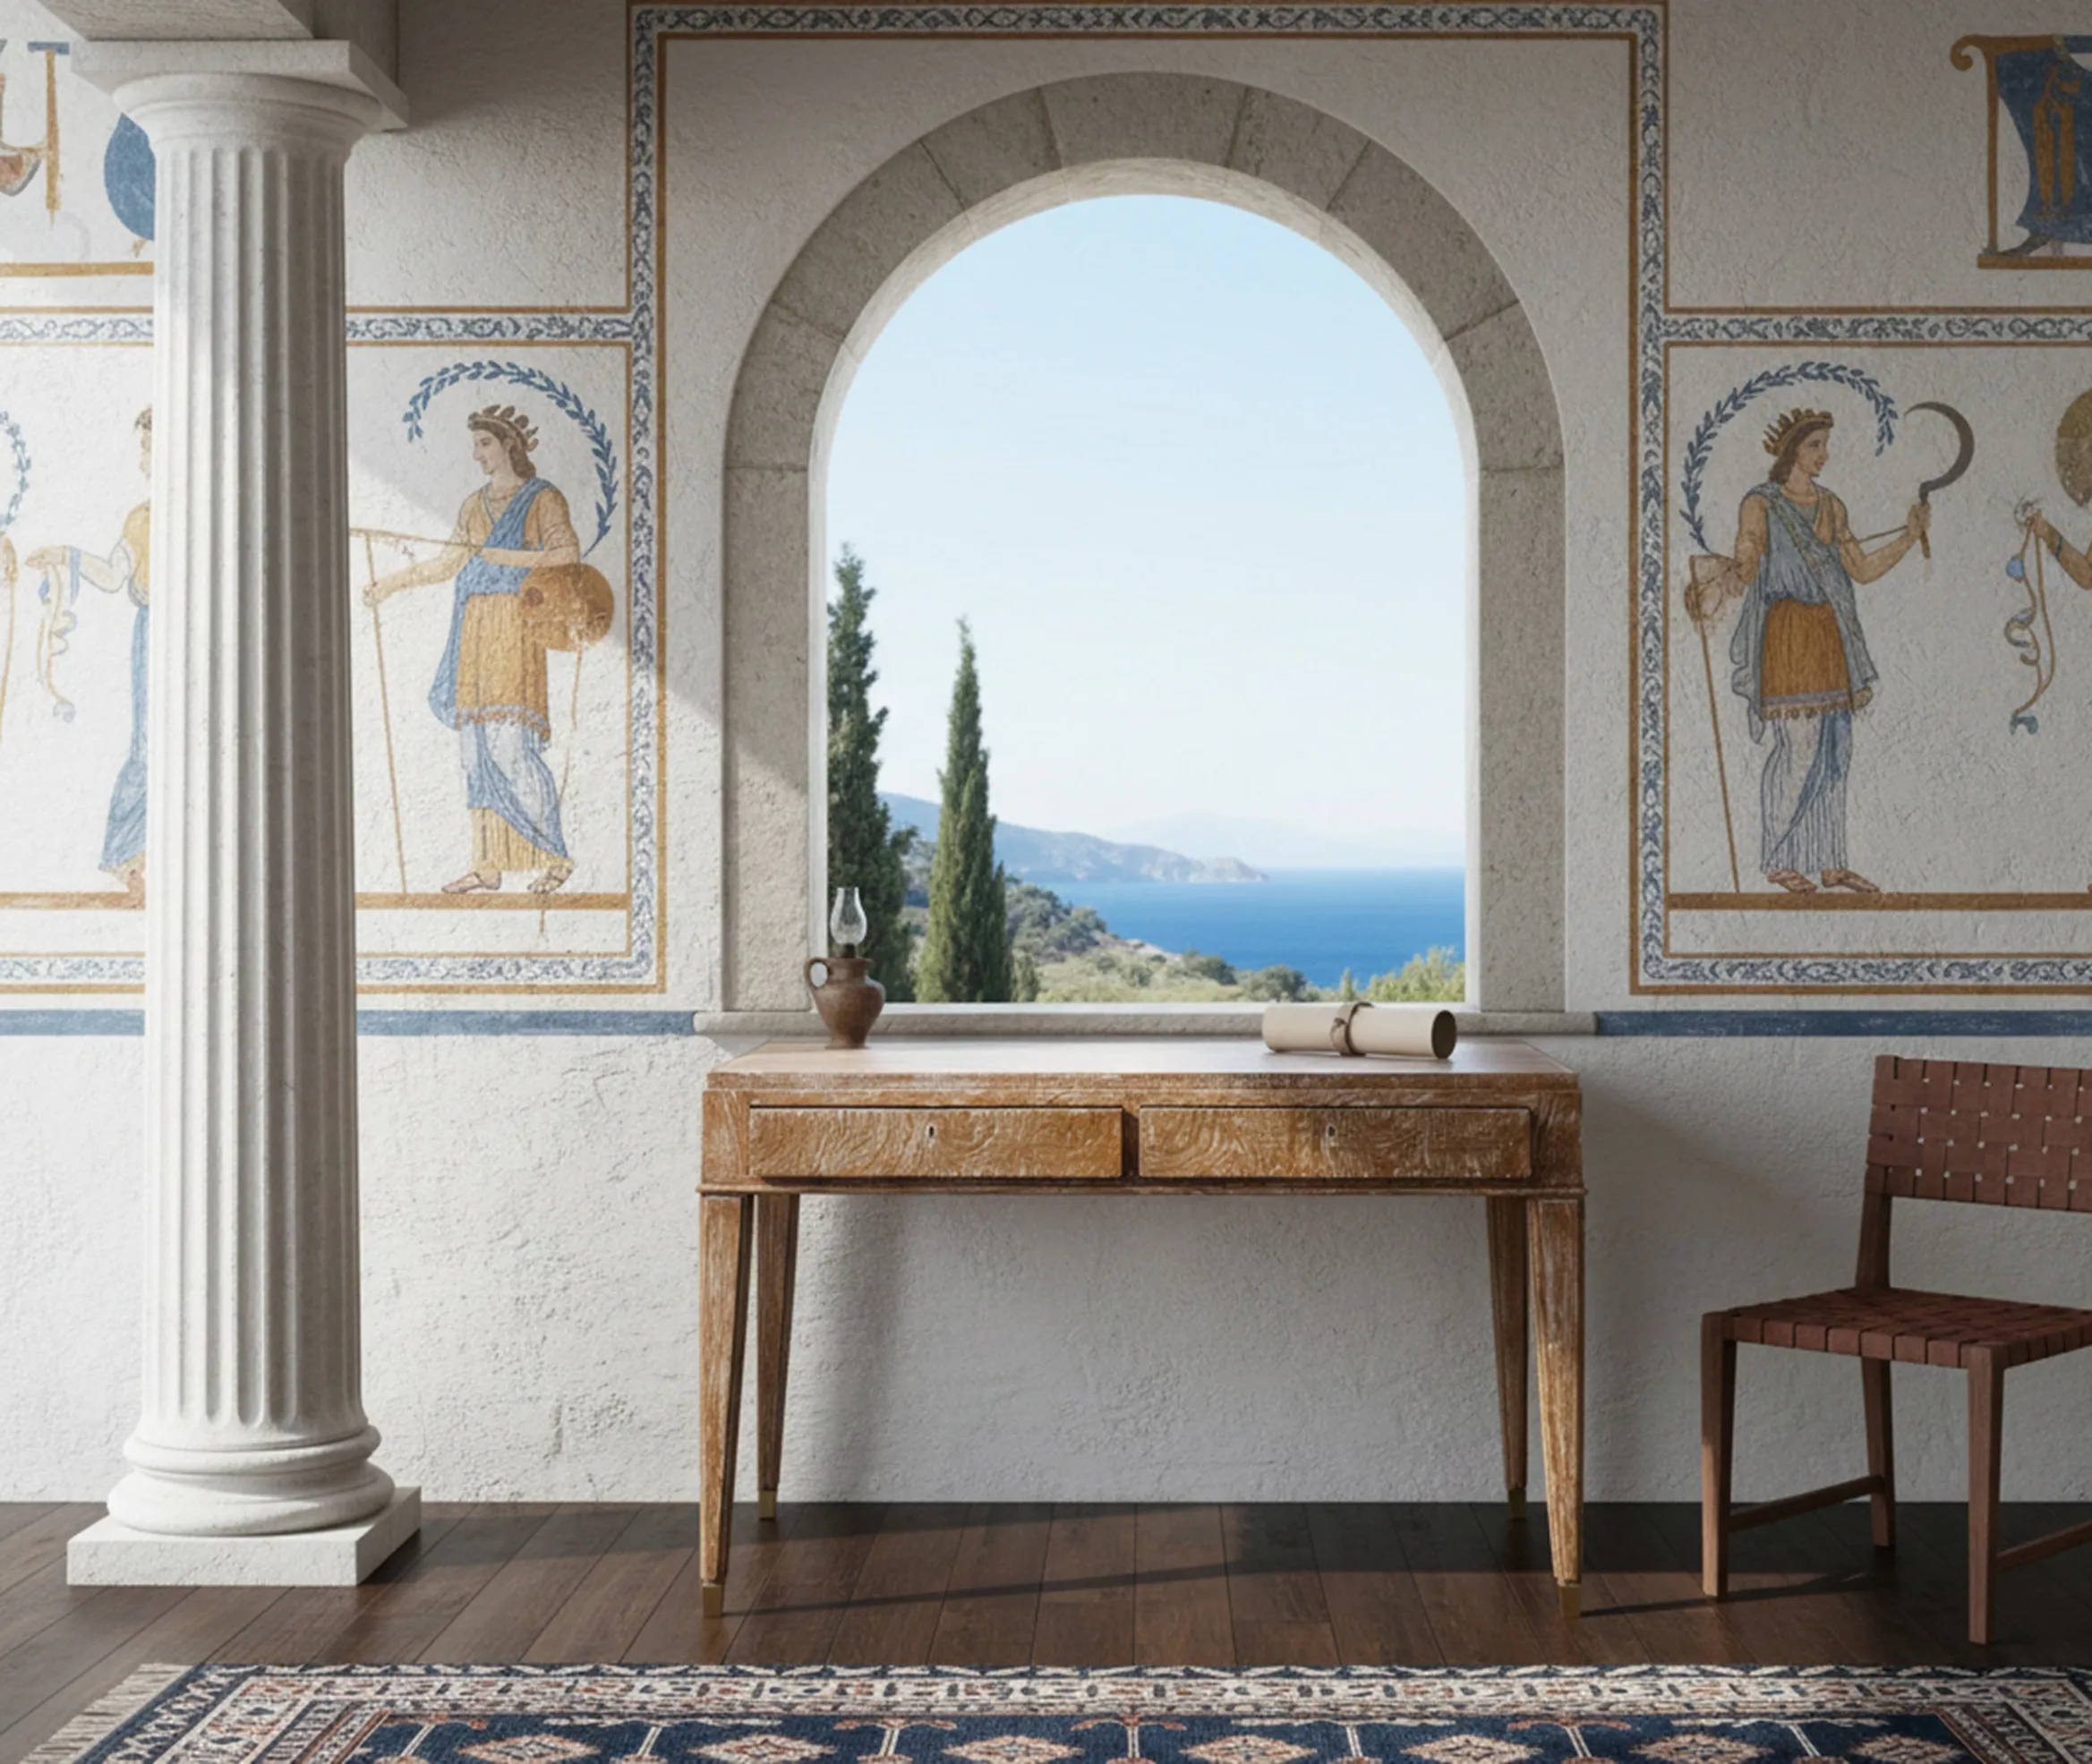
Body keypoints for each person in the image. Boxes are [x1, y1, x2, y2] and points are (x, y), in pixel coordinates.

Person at [1686, 407, 1930, 893]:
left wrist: (1908, 536)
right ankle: (1778, 858)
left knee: (1836, 750)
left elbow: (1859, 567)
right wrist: (1714, 582)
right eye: (1815, 444)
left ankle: (1831, 863)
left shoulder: (1832, 505)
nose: (1823, 454)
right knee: (1798, 749)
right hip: (1788, 631)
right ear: (1792, 450)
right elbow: (1747, 564)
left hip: (1829, 632)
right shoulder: (1761, 503)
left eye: (1825, 444)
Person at [364, 405, 580, 894]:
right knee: (474, 752)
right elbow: (446, 563)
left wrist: (500, 556)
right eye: (476, 444)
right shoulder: (472, 505)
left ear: (509, 445)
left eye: (484, 443)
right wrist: (390, 584)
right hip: (474, 629)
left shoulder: (543, 498)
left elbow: (567, 553)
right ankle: (487, 865)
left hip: (515, 626)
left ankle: (555, 855)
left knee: (510, 748)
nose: (477, 454)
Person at [25, 408, 151, 900]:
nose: (142, 459)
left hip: (201, 632)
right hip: (154, 631)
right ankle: (127, 859)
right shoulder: (142, 519)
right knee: (148, 746)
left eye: (147, 447)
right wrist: (65, 556)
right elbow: (114, 575)